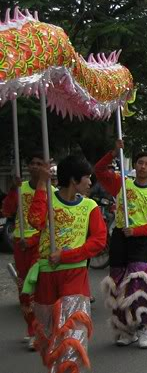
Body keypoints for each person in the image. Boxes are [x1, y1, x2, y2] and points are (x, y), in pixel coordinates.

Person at [24, 156, 107, 372]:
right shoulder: (48, 200)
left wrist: (66, 256)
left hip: (75, 276)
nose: (90, 182)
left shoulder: (90, 206)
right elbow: (35, 221)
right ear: (73, 179)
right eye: (87, 177)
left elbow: (98, 241)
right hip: (46, 276)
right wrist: (42, 183)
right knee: (50, 335)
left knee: (73, 333)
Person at [96, 141, 147, 349]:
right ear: (135, 165)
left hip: (140, 242)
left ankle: (143, 329)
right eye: (140, 163)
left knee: (139, 286)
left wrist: (136, 230)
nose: (143, 167)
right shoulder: (121, 184)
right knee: (117, 285)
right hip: (119, 238)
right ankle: (126, 330)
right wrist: (113, 152)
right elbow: (98, 171)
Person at [1, 152, 52, 350]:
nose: (35, 166)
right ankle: (32, 328)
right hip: (20, 244)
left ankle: (41, 330)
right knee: (24, 290)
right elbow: (7, 210)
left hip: (40, 245)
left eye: (40, 163)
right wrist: (13, 190)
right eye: (32, 163)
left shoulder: (51, 190)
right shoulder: (20, 189)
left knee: (37, 289)